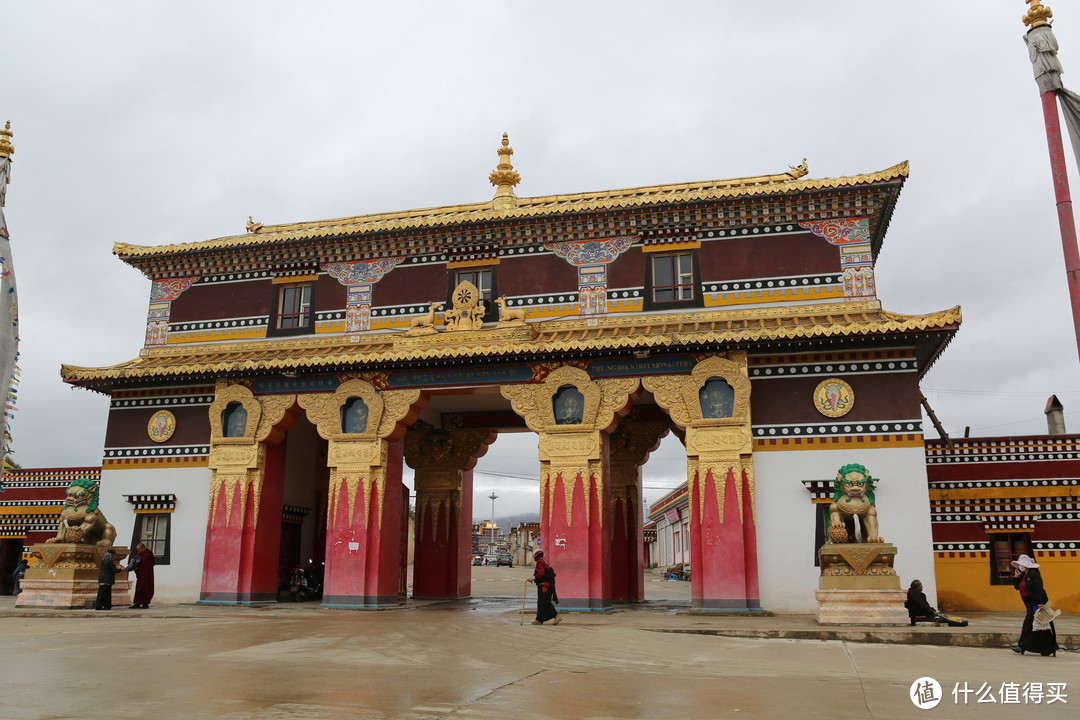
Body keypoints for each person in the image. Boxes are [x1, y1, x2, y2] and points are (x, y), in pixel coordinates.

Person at [1010, 554, 1057, 657]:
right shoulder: (1024, 575)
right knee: (1040, 625)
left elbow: (1038, 588)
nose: (1020, 567)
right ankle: (1047, 648)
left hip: (1035, 603)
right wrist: (1017, 577)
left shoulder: (1033, 574)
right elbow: (1017, 587)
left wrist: (1039, 602)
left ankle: (1021, 646)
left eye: (1021, 564)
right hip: (1029, 603)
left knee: (1029, 623)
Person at [525, 550, 560, 625]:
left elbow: (541, 573)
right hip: (545, 586)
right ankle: (539, 619)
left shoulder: (540, 562)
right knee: (541, 603)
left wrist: (533, 578)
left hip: (544, 586)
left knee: (544, 603)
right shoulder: (543, 561)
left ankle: (556, 616)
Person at [126, 542, 155, 609]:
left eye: (139, 550)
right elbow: (138, 560)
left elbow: (146, 565)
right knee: (139, 589)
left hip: (146, 575)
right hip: (141, 575)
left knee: (145, 588)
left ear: (143, 548)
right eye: (137, 550)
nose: (138, 551)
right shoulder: (141, 554)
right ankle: (137, 603)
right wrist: (134, 561)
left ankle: (145, 604)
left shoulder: (148, 554)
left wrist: (137, 568)